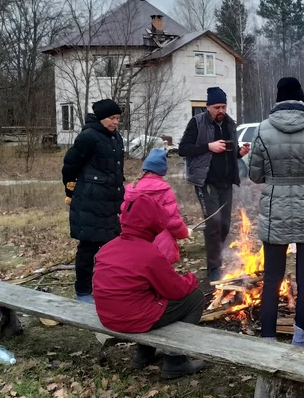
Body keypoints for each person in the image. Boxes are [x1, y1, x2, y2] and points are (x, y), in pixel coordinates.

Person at [248, 77, 304, 348]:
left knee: (273, 277)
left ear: (278, 100)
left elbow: (254, 174)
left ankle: (268, 338)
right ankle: (300, 338)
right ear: (302, 99)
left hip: (275, 208)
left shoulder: (262, 131)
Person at [94, 193, 206, 379]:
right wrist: (192, 279)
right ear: (154, 223)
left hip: (108, 317)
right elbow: (175, 290)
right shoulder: (149, 254)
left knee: (145, 296)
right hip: (132, 320)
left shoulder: (108, 247)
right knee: (195, 298)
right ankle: (175, 360)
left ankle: (144, 355)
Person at [178, 87, 250, 282]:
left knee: (225, 225)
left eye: (224, 106)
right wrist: (208, 147)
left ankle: (219, 258)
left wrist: (238, 153)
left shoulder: (229, 123)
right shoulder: (197, 123)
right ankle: (213, 267)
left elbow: (229, 150)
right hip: (206, 181)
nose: (221, 111)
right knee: (214, 223)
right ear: (208, 107)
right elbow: (183, 149)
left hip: (226, 182)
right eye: (217, 107)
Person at [62, 99, 125, 304]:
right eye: (112, 118)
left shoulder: (116, 138)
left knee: (113, 249)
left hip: (110, 203)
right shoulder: (88, 137)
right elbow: (70, 166)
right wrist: (70, 192)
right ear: (100, 118)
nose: (115, 122)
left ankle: (108, 289)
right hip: (89, 201)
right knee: (88, 249)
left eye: (118, 118)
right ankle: (82, 292)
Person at [122, 148, 190, 265]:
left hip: (133, 244)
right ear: (162, 170)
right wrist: (184, 233)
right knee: (161, 279)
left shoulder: (131, 189)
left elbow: (123, 218)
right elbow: (173, 221)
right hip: (160, 245)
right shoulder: (164, 190)